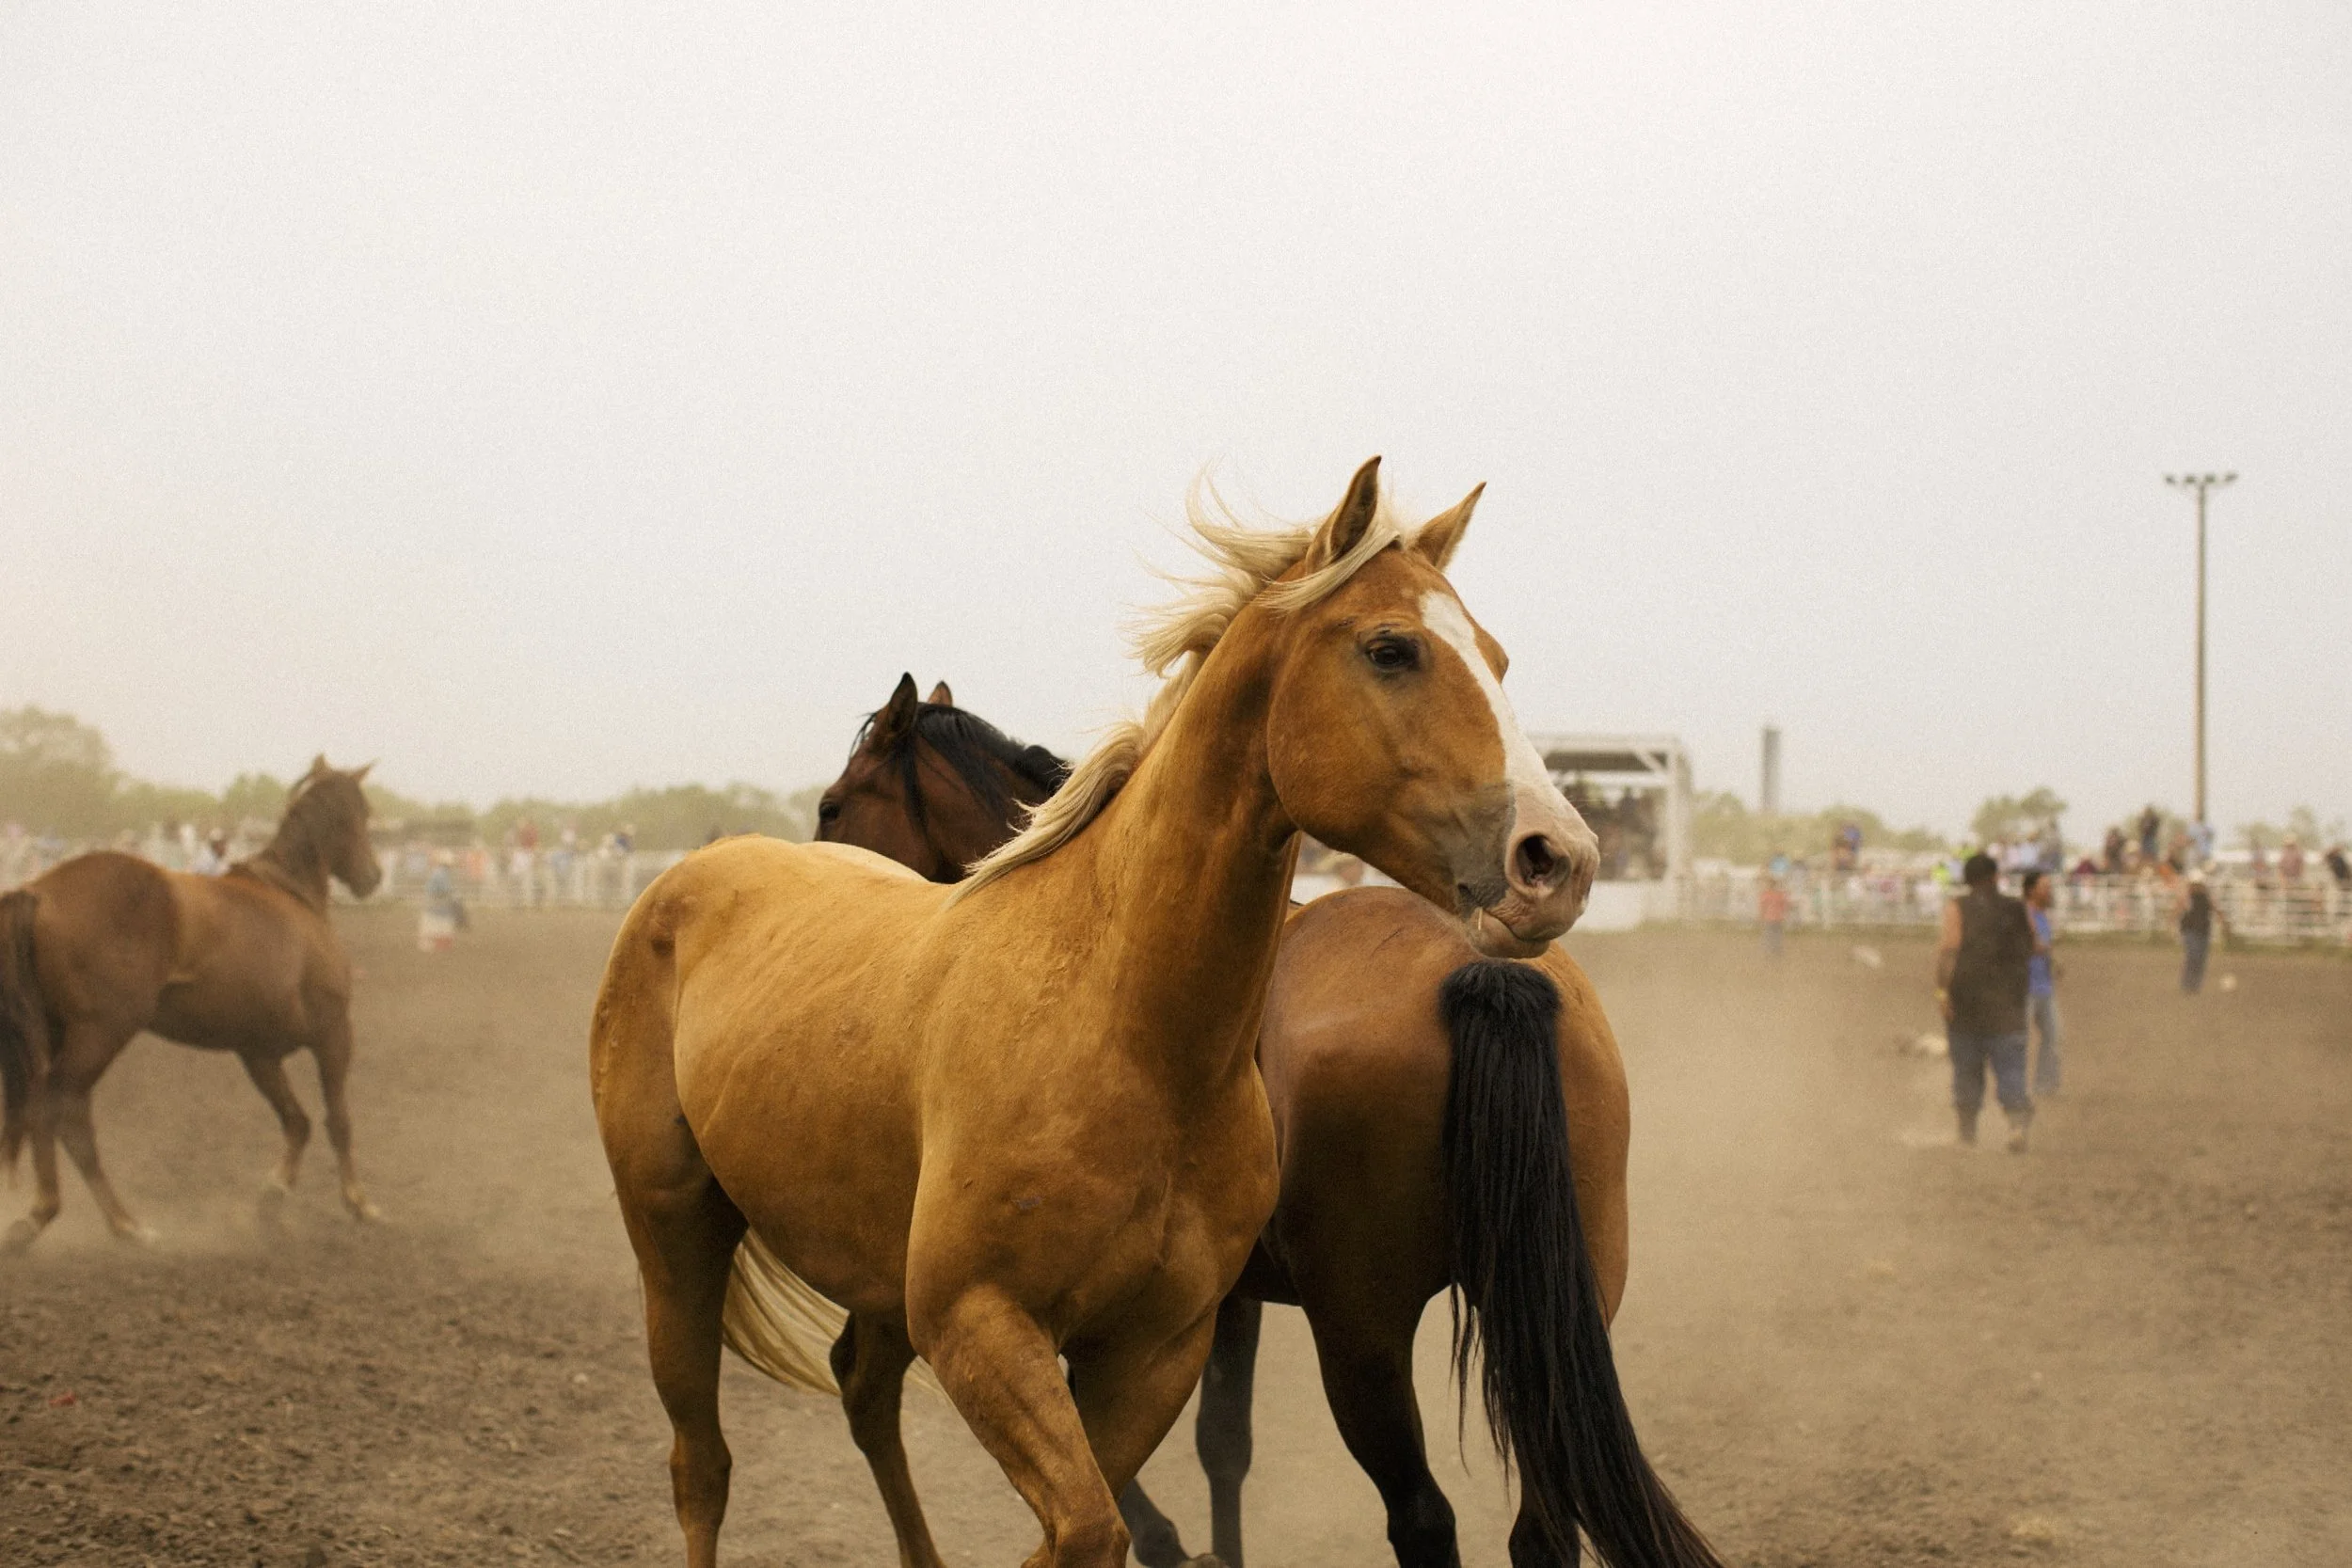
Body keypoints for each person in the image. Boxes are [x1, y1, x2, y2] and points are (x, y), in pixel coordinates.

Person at [1936, 851, 2036, 1151]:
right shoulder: (2017, 908)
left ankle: (1967, 1135)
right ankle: (2016, 1126)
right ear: (1995, 877)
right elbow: (2031, 944)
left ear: (1966, 879)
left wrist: (1942, 991)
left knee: (1967, 1068)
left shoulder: (1958, 907)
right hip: (2008, 1002)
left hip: (1967, 1000)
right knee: (2011, 1068)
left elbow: (1949, 949)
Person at [2023, 869, 2062, 1095]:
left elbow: (2043, 946)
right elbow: (2030, 946)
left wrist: (2054, 960)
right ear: (2031, 890)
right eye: (2045, 887)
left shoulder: (2042, 915)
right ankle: (2014, 1085)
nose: (2049, 891)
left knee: (2054, 1036)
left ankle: (2045, 1085)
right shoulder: (2024, 914)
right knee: (2018, 1040)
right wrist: (2046, 948)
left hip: (2044, 987)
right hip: (2024, 988)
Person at [2178, 874, 2219, 994]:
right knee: (2193, 955)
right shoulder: (2188, 898)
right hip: (2190, 931)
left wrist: (2224, 923)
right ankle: (2187, 983)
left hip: (2203, 931)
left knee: (2200, 959)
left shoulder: (2206, 898)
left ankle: (2194, 985)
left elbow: (2215, 909)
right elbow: (2178, 908)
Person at [1758, 873, 1789, 958]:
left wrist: (1761, 916)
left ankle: (1768, 951)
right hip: (1778, 918)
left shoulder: (1765, 894)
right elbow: (1784, 906)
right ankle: (1777, 951)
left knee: (1768, 935)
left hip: (1769, 918)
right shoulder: (1780, 894)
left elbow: (1762, 907)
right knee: (1777, 935)